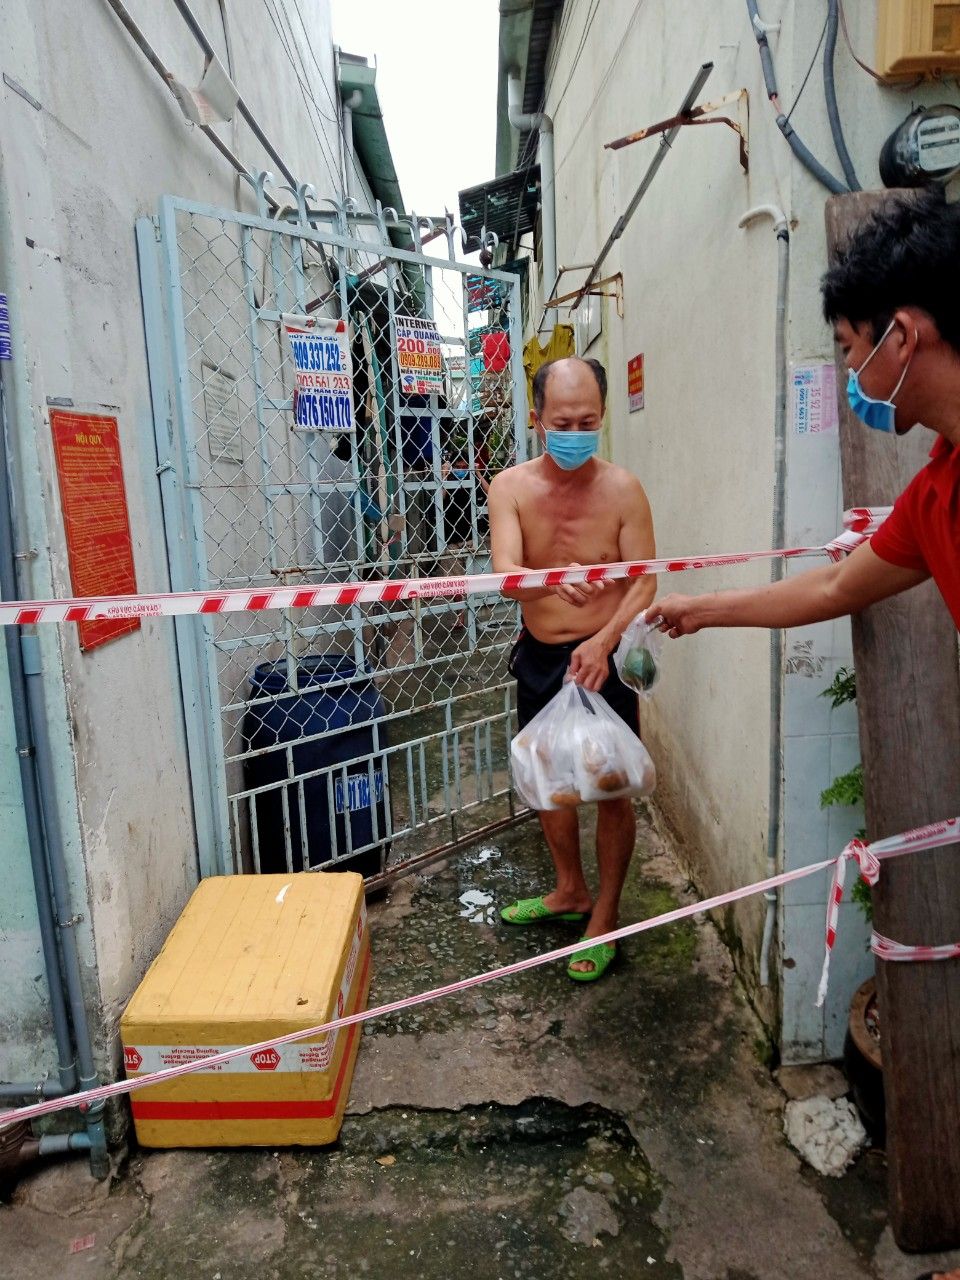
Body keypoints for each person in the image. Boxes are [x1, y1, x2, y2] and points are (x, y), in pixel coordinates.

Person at [654, 189, 960, 639]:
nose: (851, 369)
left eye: (848, 347)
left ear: (901, 337)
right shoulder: (933, 497)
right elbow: (834, 586)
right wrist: (698, 610)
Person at [487, 356, 656, 981]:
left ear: (603, 416)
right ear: (537, 419)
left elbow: (645, 580)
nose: (575, 433)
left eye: (588, 422)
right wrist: (548, 582)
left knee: (611, 786)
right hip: (540, 655)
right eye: (562, 422)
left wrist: (606, 641)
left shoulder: (623, 490)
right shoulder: (509, 488)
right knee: (547, 778)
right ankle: (569, 890)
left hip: (602, 658)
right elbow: (506, 573)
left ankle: (605, 916)